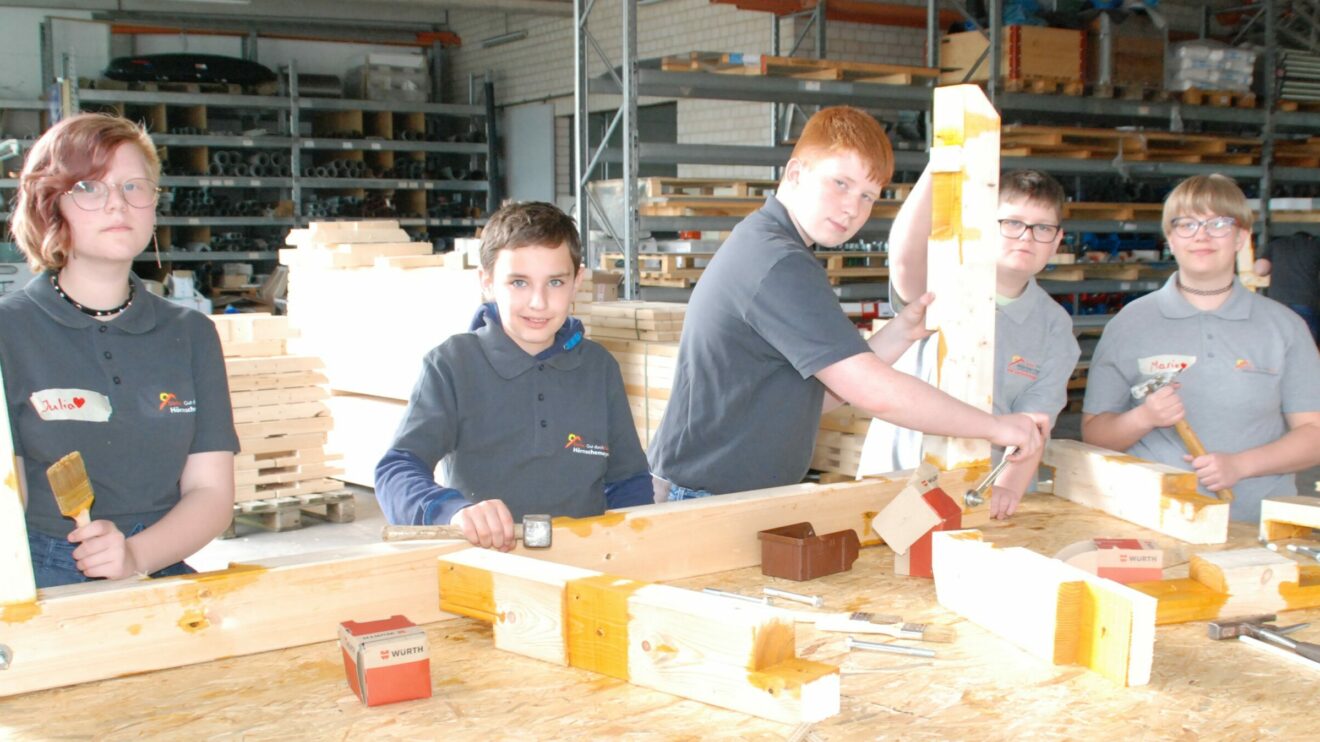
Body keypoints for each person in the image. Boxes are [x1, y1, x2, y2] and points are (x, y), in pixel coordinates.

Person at [647, 106, 1047, 501]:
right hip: (703, 495)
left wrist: (902, 330)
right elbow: (873, 391)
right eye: (840, 183)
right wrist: (997, 427)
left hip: (716, 492)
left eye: (868, 196)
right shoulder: (778, 262)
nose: (852, 208)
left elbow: (816, 397)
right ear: (796, 173)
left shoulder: (771, 244)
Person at [1, 113, 238, 588]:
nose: (118, 205)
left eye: (135, 187)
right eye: (90, 188)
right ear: (53, 205)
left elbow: (211, 492)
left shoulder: (190, 333)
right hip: (41, 574)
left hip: (160, 562)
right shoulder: (10, 331)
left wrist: (134, 554)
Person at [374, 201, 652, 550]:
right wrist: (452, 511)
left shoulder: (599, 368)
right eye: (519, 282)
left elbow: (629, 482)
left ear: (577, 282)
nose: (538, 302)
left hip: (585, 568)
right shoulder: (453, 365)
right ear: (487, 282)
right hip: (488, 570)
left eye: (555, 282)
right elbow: (396, 470)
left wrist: (638, 547)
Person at [1082, 174, 1320, 522]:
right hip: (1149, 521)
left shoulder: (1284, 327)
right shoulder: (1130, 324)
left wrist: (1240, 465)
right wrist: (1143, 418)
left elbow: (1313, 435)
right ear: (1170, 239)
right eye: (1187, 224)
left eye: (1218, 223)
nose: (1202, 235)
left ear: (1241, 237)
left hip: (1256, 525)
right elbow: (1094, 433)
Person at [856, 168, 1081, 519]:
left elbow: (1036, 422)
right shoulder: (943, 285)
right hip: (895, 483)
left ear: (1057, 239)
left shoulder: (1054, 326)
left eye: (1042, 228)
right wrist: (941, 163)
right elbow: (903, 256)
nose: (1026, 237)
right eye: (1011, 222)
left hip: (981, 494)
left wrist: (1008, 486)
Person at [1254, 231, 1320, 344]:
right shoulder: (1315, 246)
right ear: (1309, 238)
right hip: (1306, 302)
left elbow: (1260, 270)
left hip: (1277, 303)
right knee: (1307, 346)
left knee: (1278, 344)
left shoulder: (1276, 244)